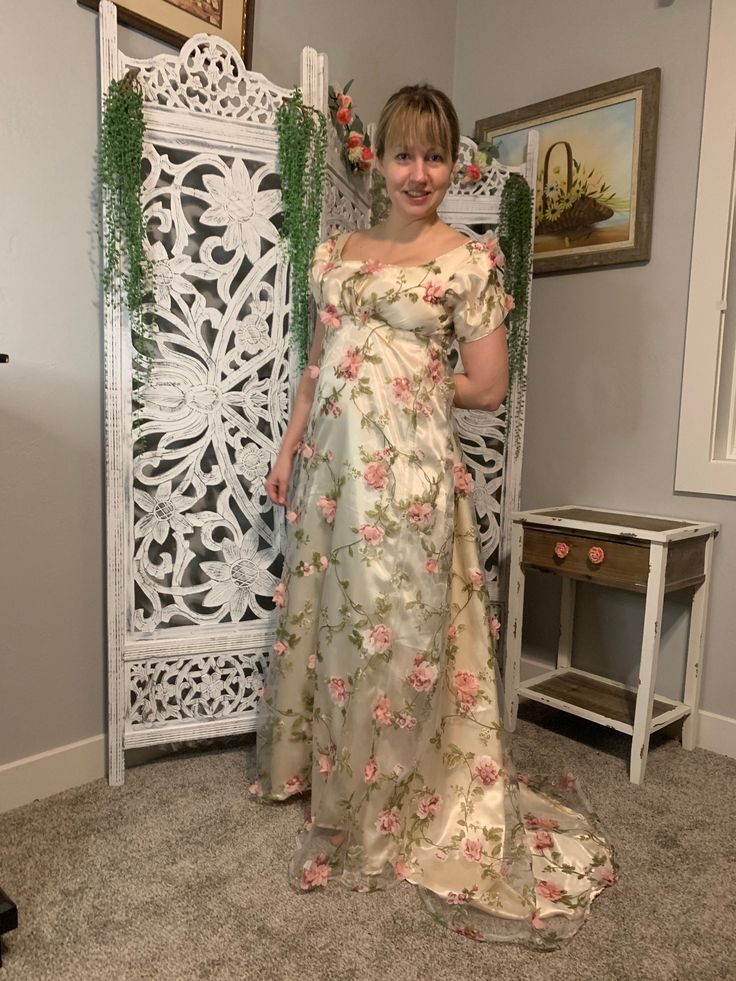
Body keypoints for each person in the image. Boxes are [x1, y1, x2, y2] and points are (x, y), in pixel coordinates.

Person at [250, 84, 617, 948]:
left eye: (437, 155)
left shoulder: (466, 260)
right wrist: (289, 446)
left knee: (398, 635)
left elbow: (485, 387)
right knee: (335, 627)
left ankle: (385, 806)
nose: (420, 172)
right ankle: (333, 781)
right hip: (335, 476)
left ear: (455, 164)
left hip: (408, 477)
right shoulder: (336, 249)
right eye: (405, 153)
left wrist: (402, 373)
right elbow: (317, 362)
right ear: (375, 157)